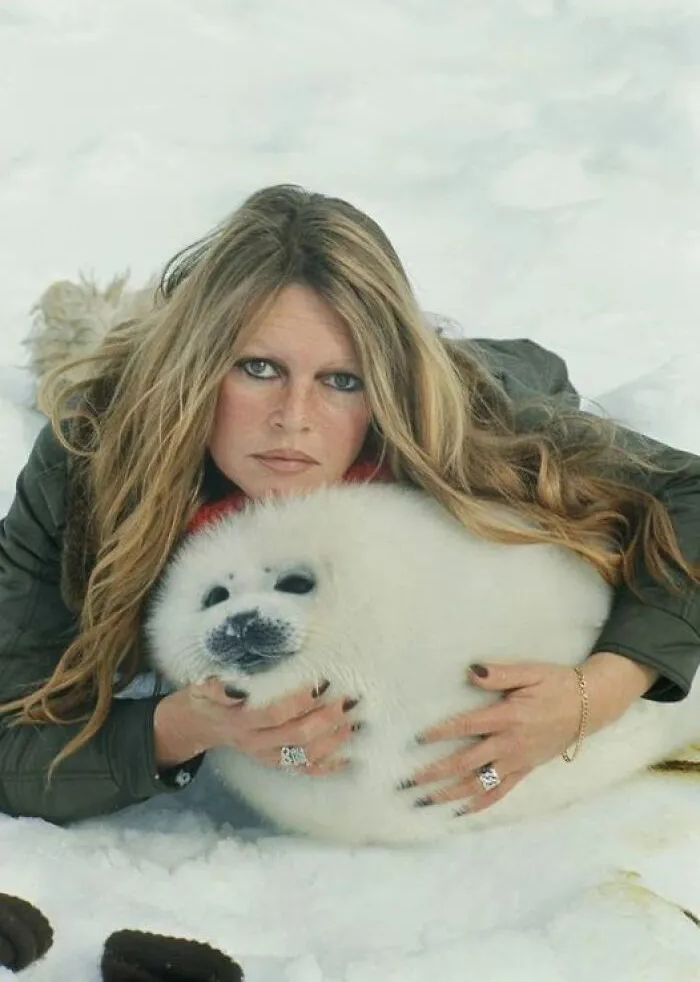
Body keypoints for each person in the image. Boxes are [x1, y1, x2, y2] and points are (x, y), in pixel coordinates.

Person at [1, 183, 699, 830]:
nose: (294, 418)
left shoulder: (464, 423)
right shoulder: (88, 463)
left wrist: (596, 693)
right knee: (97, 369)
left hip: (490, 378)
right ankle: (108, 334)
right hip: (154, 385)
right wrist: (183, 728)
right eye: (258, 368)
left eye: (341, 380)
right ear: (198, 368)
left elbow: (688, 495)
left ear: (383, 385)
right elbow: (10, 748)